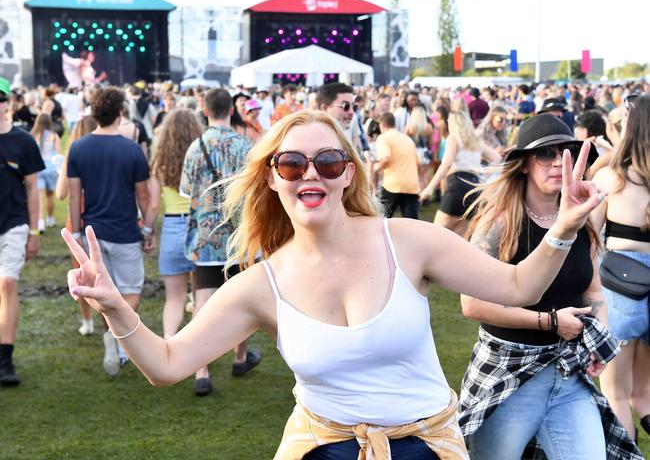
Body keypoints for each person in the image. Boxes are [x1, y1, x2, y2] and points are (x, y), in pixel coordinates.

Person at [62, 108, 606, 459]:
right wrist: (114, 307)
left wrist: (562, 226)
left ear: (349, 173)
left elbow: (516, 286)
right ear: (274, 179)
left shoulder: (407, 241)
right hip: (321, 449)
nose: (311, 174)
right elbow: (166, 365)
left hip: (425, 448)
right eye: (292, 164)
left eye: (327, 160)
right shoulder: (261, 285)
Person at [456, 114, 644, 459]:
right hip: (509, 374)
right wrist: (550, 322)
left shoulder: (581, 221)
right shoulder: (500, 223)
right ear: (525, 164)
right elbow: (471, 304)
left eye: (567, 151)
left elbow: (593, 290)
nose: (559, 161)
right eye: (546, 153)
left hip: (568, 373)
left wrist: (595, 337)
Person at [179, 88, 261, 396]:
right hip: (240, 236)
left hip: (206, 236)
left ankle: (202, 370)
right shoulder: (244, 146)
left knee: (202, 301)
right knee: (242, 300)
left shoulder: (195, 147)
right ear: (231, 110)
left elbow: (187, 192)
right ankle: (240, 357)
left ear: (205, 109)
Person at [67, 87, 150, 377]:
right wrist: (149, 228)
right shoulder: (132, 150)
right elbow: (144, 196)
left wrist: (75, 232)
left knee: (105, 294)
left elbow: (75, 196)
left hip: (93, 232)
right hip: (125, 231)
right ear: (120, 112)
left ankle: (113, 339)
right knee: (131, 292)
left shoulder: (78, 148)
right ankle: (118, 341)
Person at [592, 94, 650, 443]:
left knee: (616, 395)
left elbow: (584, 244)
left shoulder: (611, 178)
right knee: (644, 395)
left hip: (621, 291)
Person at [0, 77, 44, 386]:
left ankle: (5, 359)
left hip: (14, 223)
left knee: (7, 284)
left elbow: (34, 188)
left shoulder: (23, 141)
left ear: (9, 103)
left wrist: (34, 233)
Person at [144, 110, 201, 339]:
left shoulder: (160, 161)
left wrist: (147, 231)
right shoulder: (201, 157)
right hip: (199, 226)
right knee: (200, 299)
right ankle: (201, 365)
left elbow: (155, 204)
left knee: (174, 299)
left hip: (172, 227)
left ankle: (168, 343)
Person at [420, 111, 500, 236]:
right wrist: (483, 177)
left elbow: (446, 164)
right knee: (461, 237)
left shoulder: (454, 138)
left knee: (437, 233)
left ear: (452, 123)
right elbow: (496, 157)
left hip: (457, 184)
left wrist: (429, 188)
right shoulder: (476, 141)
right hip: (474, 187)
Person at [55, 115, 98, 336]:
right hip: (103, 214)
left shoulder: (72, 153)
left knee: (82, 272)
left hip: (78, 219)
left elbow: (61, 193)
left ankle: (87, 320)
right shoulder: (103, 152)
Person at [373, 112, 421, 219]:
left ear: (382, 125)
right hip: (411, 185)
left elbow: (386, 158)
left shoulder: (383, 138)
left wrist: (376, 167)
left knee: (382, 220)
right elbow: (418, 162)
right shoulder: (407, 139)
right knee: (412, 223)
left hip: (392, 185)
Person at [31, 113, 62, 232]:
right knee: (50, 196)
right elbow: (58, 153)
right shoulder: (54, 136)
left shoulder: (33, 135)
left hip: (38, 168)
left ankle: (40, 222)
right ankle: (50, 218)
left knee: (39, 197)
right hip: (50, 168)